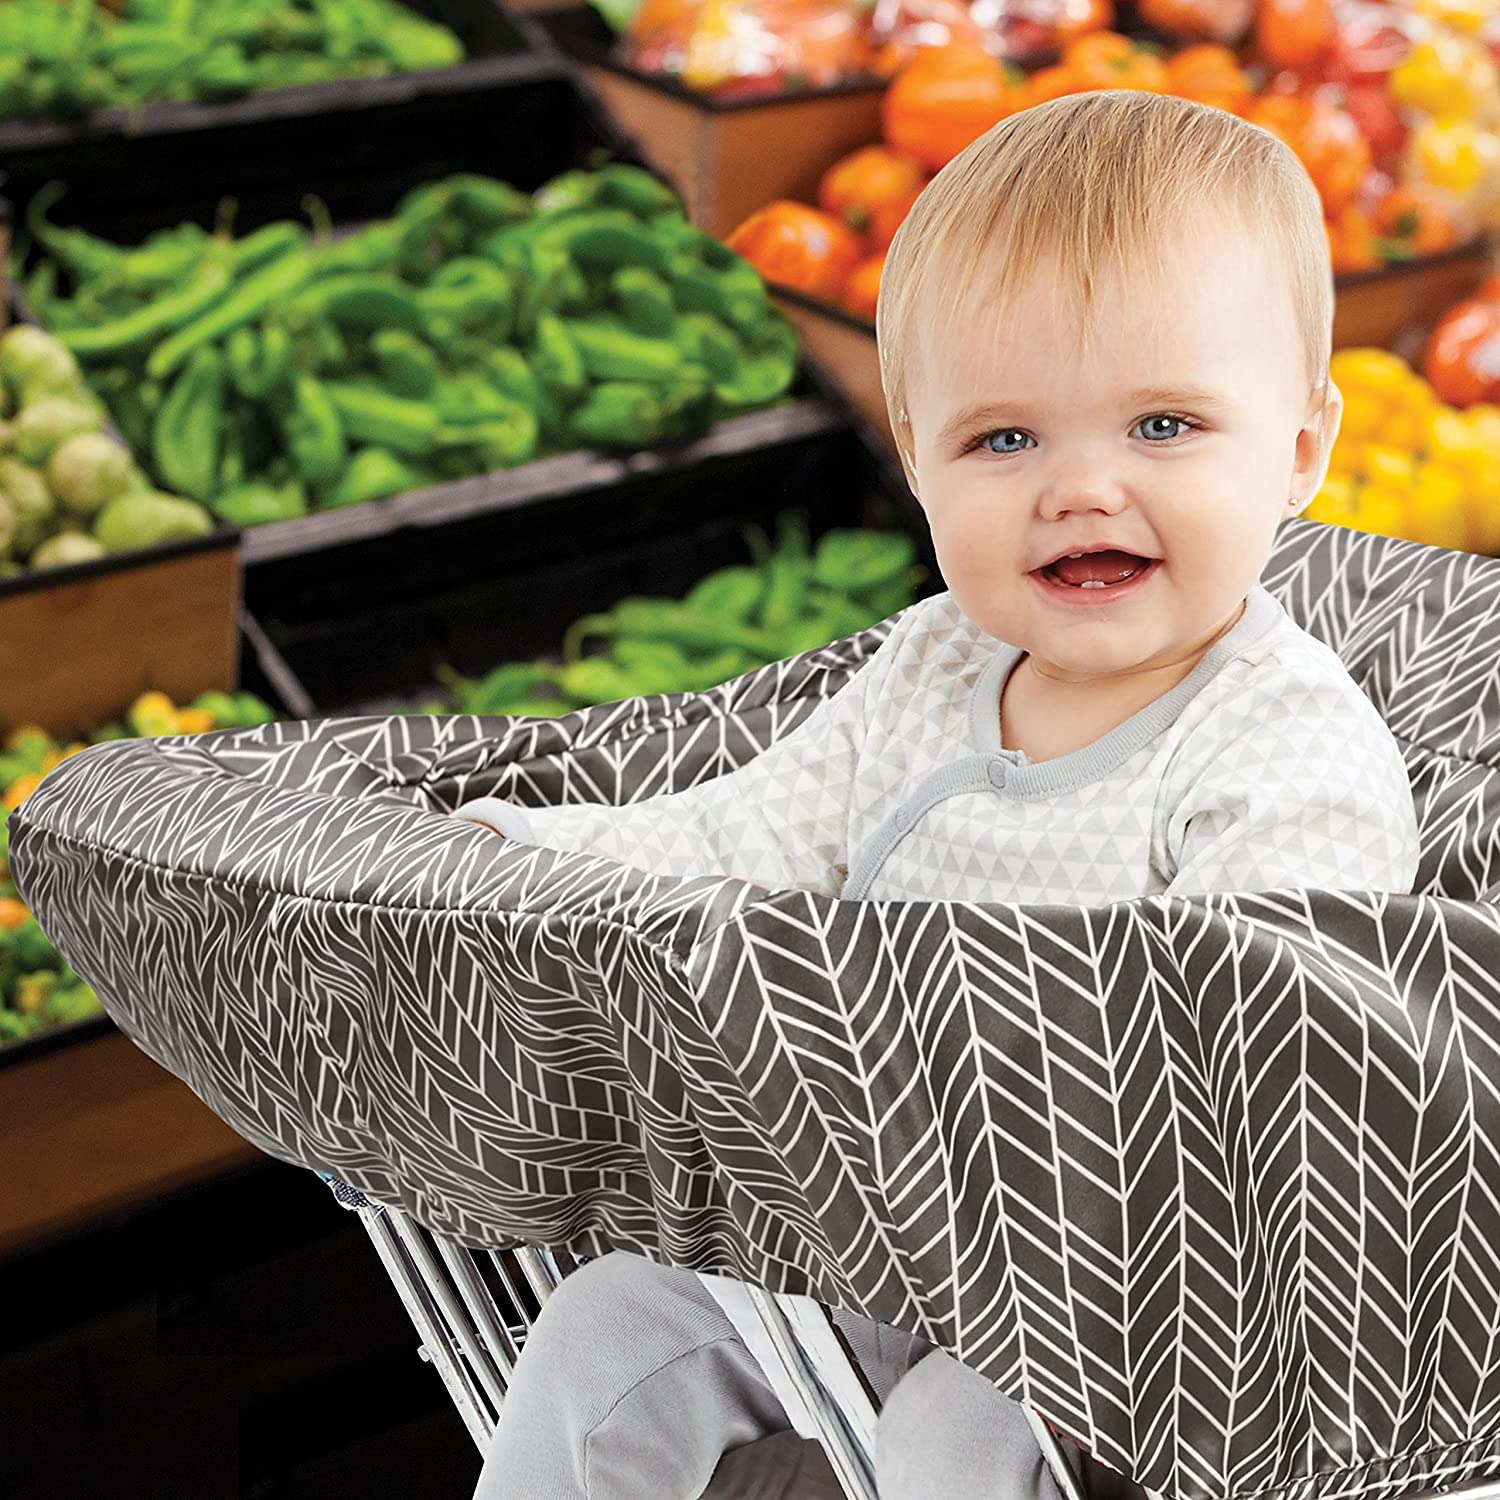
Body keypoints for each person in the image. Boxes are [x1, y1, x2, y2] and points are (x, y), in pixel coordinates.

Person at [451, 88, 1422, 1500]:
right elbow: (744, 833)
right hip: (869, 1231)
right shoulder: (929, 668)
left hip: (1138, 1297)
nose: (1082, 489)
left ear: (1299, 452)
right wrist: (524, 852)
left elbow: (1272, 1057)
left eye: (1162, 423)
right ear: (916, 458)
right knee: (612, 1325)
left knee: (955, 1441)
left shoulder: (1284, 752)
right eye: (1005, 442)